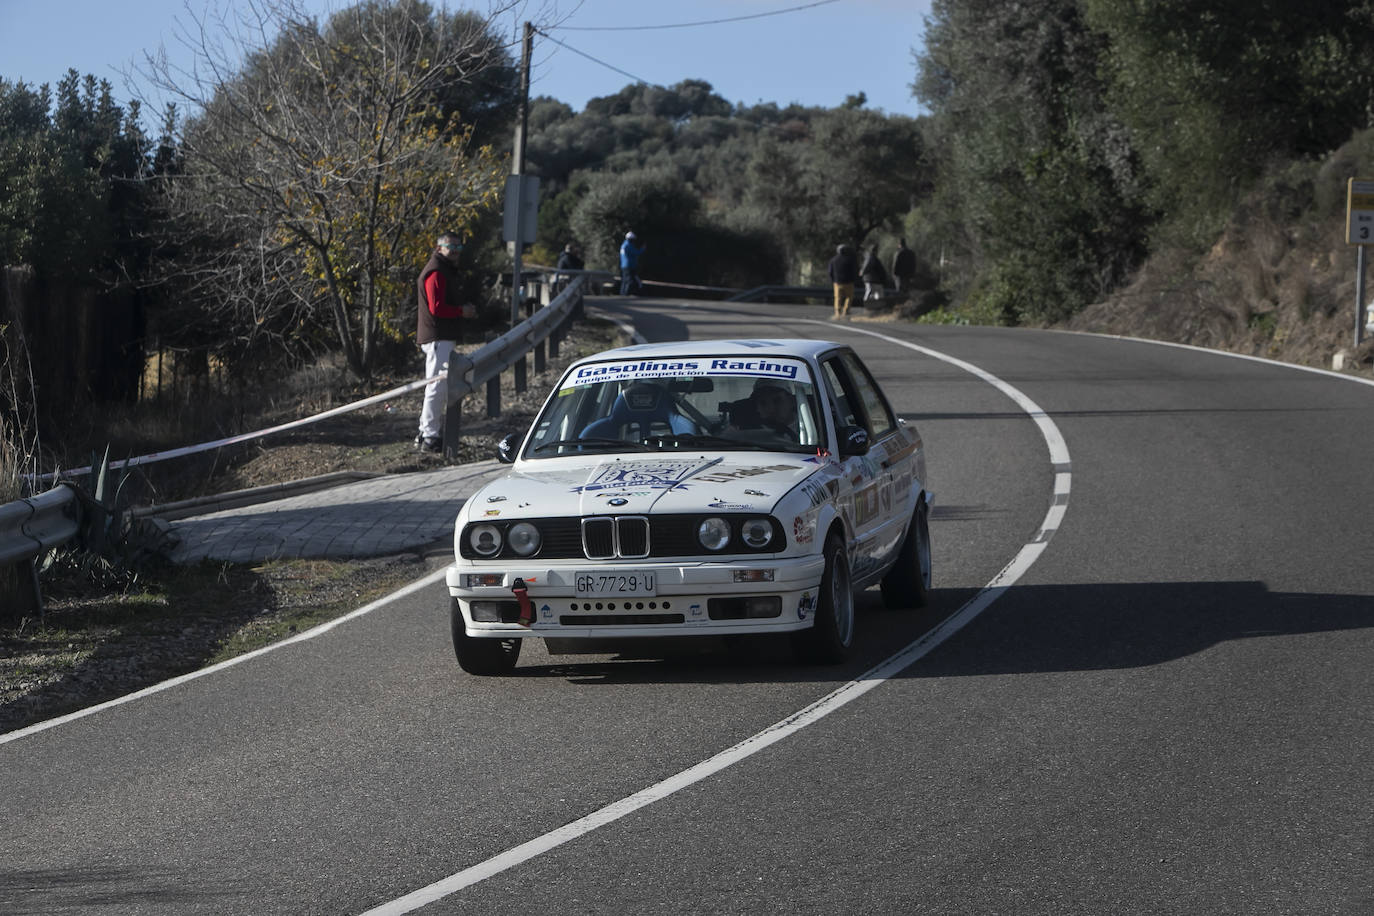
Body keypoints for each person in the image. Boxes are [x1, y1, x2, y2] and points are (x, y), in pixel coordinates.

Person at [415, 232, 475, 453]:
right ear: (439, 248)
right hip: (437, 337)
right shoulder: (437, 272)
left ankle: (426, 432)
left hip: (440, 336)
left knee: (436, 386)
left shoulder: (443, 269)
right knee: (436, 387)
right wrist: (462, 311)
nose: (456, 252)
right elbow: (436, 308)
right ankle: (430, 436)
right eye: (452, 247)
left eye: (459, 248)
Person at [827, 244, 858, 319]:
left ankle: (837, 312)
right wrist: (854, 279)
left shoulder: (833, 260)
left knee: (838, 297)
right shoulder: (850, 260)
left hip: (837, 282)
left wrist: (833, 280)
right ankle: (846, 310)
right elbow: (854, 271)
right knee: (849, 297)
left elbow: (830, 272)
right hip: (848, 282)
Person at [619, 231, 646, 296]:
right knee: (629, 280)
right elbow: (637, 252)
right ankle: (626, 294)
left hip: (624, 265)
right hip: (629, 265)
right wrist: (643, 249)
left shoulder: (623, 245)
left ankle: (622, 293)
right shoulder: (628, 245)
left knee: (624, 280)